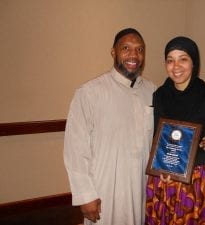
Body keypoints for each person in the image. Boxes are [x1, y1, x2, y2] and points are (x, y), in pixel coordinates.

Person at [64, 28, 157, 225]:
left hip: (142, 186)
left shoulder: (153, 91)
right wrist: (85, 195)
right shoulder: (89, 93)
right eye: (126, 48)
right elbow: (75, 149)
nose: (134, 55)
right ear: (113, 52)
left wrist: (201, 139)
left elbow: (168, 133)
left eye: (139, 49)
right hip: (105, 189)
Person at [145, 36, 205, 225]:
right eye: (170, 60)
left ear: (194, 62)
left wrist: (184, 165)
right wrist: (163, 166)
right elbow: (158, 138)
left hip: (196, 179)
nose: (176, 66)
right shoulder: (159, 95)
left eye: (183, 58)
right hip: (163, 178)